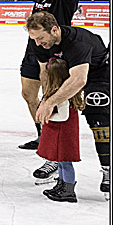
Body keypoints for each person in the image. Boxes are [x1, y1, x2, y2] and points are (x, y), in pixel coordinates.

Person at [25, 11, 110, 199]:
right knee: (57, 118)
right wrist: (47, 99)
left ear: (54, 30)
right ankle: (56, 159)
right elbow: (45, 73)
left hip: (97, 73)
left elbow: (79, 80)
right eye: (34, 39)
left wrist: (50, 102)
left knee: (98, 117)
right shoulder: (38, 43)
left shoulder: (78, 42)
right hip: (68, 72)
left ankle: (108, 169)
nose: (37, 43)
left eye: (41, 38)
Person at [11, 0, 80, 150]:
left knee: (52, 94)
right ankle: (42, 134)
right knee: (28, 94)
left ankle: (55, 135)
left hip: (56, 51)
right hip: (33, 48)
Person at [34, 58, 84, 202]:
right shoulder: (58, 92)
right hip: (60, 134)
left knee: (65, 162)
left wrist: (46, 116)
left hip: (63, 135)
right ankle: (62, 184)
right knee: (61, 162)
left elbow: (63, 116)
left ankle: (68, 190)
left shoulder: (62, 96)